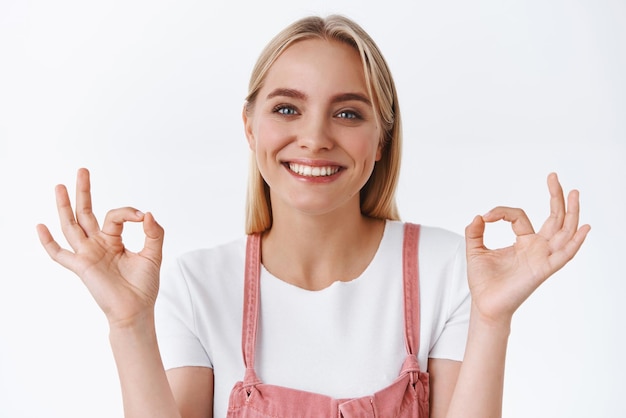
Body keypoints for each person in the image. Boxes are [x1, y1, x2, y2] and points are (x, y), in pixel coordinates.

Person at [36, 14, 590, 418]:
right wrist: (128, 325)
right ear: (250, 128)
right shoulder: (196, 284)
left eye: (348, 112)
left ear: (380, 140)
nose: (315, 138)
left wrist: (493, 322)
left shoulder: (451, 268)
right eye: (287, 108)